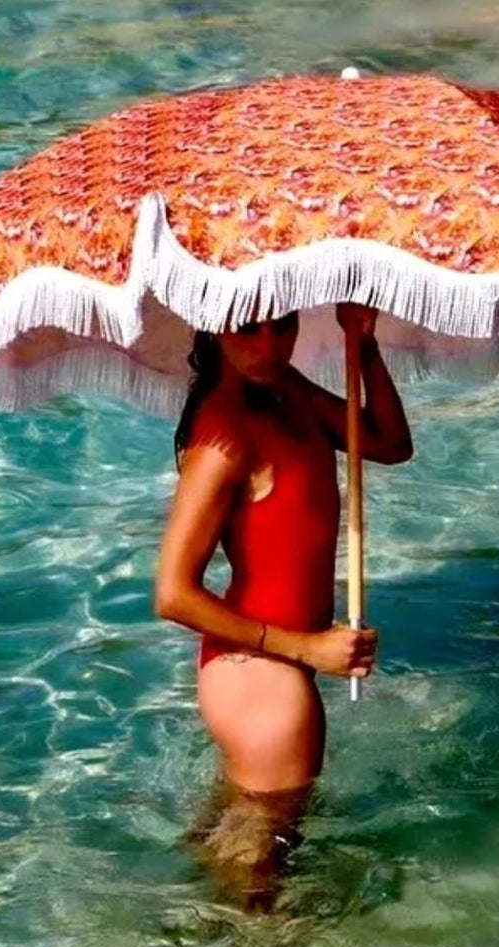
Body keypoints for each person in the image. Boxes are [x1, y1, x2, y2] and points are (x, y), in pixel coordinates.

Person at [154, 302, 413, 907]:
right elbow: (172, 593)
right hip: (263, 677)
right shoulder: (223, 436)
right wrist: (308, 648)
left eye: (284, 325)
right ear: (215, 328)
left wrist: (364, 347)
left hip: (274, 668)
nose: (270, 347)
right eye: (249, 329)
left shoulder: (282, 390)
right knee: (263, 892)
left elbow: (389, 443)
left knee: (237, 851)